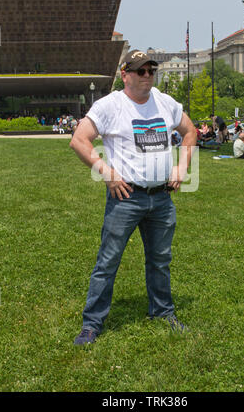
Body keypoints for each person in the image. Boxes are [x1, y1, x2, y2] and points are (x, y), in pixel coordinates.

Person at [70, 49, 197, 345]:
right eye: (140, 71)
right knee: (108, 261)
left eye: (151, 70)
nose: (147, 76)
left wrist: (182, 166)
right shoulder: (110, 105)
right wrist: (106, 172)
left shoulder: (165, 103)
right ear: (125, 75)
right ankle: (92, 324)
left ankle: (163, 313)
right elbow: (79, 139)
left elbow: (189, 131)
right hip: (126, 198)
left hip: (161, 198)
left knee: (160, 260)